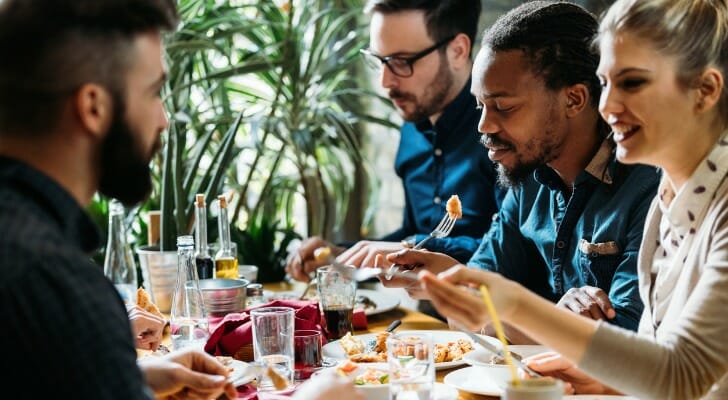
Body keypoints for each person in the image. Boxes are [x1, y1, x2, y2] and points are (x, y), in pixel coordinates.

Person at [416, 0, 728, 398]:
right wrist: (604, 380)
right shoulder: (670, 197)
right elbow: (654, 357)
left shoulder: (689, 199)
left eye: (631, 83)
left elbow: (681, 375)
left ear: (705, 91)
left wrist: (513, 305)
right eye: (605, 82)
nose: (608, 105)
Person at [383, 0, 659, 342]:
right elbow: (465, 313)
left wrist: (509, 313)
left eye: (503, 107)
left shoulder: (651, 188)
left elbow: (627, 346)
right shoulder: (528, 179)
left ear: (574, 99)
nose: (484, 125)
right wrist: (553, 321)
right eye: (480, 105)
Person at [286, 0, 502, 281]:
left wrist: (412, 248)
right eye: (380, 61)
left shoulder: (501, 132)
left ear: (458, 51)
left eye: (401, 62)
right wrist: (341, 253)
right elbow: (412, 232)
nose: (385, 82)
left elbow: (510, 249)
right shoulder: (412, 128)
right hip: (428, 318)